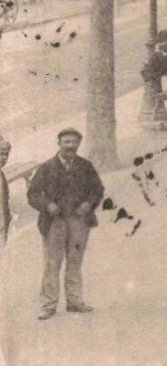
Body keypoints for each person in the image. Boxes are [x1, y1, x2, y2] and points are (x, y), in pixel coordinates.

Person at [28, 127, 103, 320]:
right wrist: (48, 205)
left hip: (79, 221)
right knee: (52, 264)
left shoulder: (85, 166)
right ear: (59, 143)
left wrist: (88, 204)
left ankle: (75, 302)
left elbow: (97, 190)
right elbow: (33, 194)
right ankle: (48, 305)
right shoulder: (46, 168)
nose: (71, 146)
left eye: (74, 142)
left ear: (78, 144)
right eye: (66, 142)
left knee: (75, 262)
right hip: (54, 223)